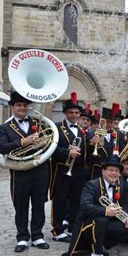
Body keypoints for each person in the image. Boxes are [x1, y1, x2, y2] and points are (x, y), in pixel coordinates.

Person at [0, 91, 51, 252]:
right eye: (19, 105)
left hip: (40, 169)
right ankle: (22, 237)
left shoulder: (39, 122)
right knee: (20, 205)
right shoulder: (5, 127)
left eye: (24, 105)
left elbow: (49, 139)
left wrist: (43, 148)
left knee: (39, 204)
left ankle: (37, 235)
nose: (22, 108)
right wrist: (22, 141)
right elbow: (2, 148)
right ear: (12, 107)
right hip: (20, 171)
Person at [61, 160, 128, 256]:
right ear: (103, 171)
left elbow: (121, 206)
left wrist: (126, 219)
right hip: (86, 223)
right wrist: (106, 211)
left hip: (105, 222)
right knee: (101, 219)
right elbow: (85, 206)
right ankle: (96, 254)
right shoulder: (91, 185)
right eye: (111, 170)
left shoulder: (118, 187)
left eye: (116, 171)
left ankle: (99, 245)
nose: (114, 173)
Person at [50, 92, 88, 242]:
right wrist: (67, 152)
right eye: (71, 112)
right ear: (65, 113)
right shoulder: (56, 128)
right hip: (61, 169)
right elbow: (51, 149)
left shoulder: (82, 130)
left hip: (78, 171)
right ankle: (57, 230)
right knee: (59, 200)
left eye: (77, 113)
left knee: (76, 201)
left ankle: (73, 228)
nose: (74, 115)